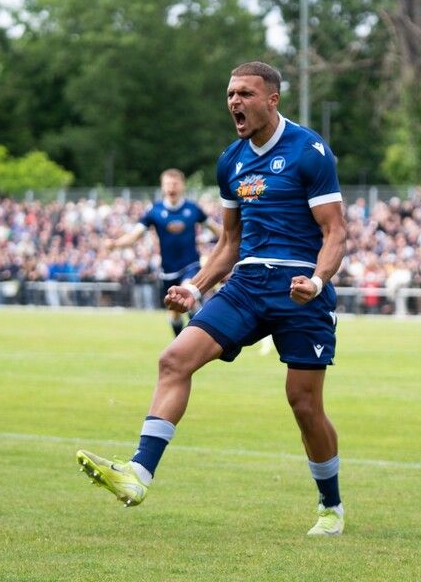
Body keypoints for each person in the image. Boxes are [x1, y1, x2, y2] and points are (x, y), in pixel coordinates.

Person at [77, 61, 348, 537]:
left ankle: (331, 505)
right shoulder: (231, 161)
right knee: (174, 359)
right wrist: (197, 287)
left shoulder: (310, 151)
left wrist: (318, 282)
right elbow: (229, 244)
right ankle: (139, 474)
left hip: (299, 291)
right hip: (245, 285)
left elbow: (336, 232)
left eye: (245, 93)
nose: (234, 103)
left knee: (303, 405)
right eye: (230, 95)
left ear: (272, 100)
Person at [108, 169, 219, 337]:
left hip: (191, 264)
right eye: (168, 184)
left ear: (182, 186)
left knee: (187, 290)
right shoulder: (155, 211)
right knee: (174, 312)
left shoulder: (193, 209)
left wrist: (237, 238)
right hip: (168, 269)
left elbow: (217, 230)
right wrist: (115, 243)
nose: (171, 187)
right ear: (162, 187)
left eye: (175, 183)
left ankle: (200, 333)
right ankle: (181, 340)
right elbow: (133, 236)